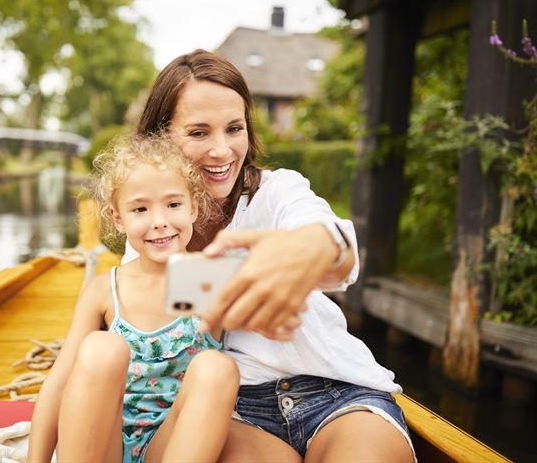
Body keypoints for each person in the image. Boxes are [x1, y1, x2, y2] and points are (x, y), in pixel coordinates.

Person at [123, 49, 416, 462]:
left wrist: (311, 250)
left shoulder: (277, 191)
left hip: (337, 392)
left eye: (234, 128)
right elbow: (146, 322)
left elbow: (339, 250)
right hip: (233, 408)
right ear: (161, 137)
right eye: (199, 132)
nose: (223, 151)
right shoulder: (152, 229)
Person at [28, 133, 243, 463]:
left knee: (217, 367)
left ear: (193, 207)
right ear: (118, 218)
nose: (159, 222)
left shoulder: (209, 282)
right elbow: (58, 384)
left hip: (173, 445)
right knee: (101, 348)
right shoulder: (105, 289)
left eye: (173, 204)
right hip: (103, 444)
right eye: (140, 209)